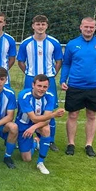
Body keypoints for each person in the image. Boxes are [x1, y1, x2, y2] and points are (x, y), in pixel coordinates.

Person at [60, 17, 96, 158]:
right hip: (75, 85)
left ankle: (89, 145)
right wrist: (62, 79)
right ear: (81, 27)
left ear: (95, 28)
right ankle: (71, 144)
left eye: (91, 27)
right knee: (73, 115)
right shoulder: (72, 44)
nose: (88, 29)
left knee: (91, 115)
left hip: (95, 86)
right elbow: (66, 64)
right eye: (86, 27)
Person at [16, 15, 63, 151]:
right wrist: (28, 73)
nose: (40, 27)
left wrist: (53, 73)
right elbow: (21, 61)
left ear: (47, 26)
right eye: (38, 24)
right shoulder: (26, 43)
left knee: (50, 108)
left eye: (43, 24)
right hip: (31, 78)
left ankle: (49, 140)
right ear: (33, 26)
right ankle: (22, 138)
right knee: (25, 109)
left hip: (49, 79)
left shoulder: (54, 42)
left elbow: (59, 60)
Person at [15, 74, 65, 175]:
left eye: (45, 87)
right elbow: (33, 118)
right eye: (39, 86)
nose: (42, 89)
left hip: (39, 124)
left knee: (46, 130)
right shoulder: (24, 95)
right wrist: (54, 114)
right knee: (26, 158)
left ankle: (40, 162)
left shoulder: (50, 96)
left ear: (48, 87)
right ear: (33, 85)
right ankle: (35, 143)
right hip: (24, 124)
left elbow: (47, 120)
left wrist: (34, 127)